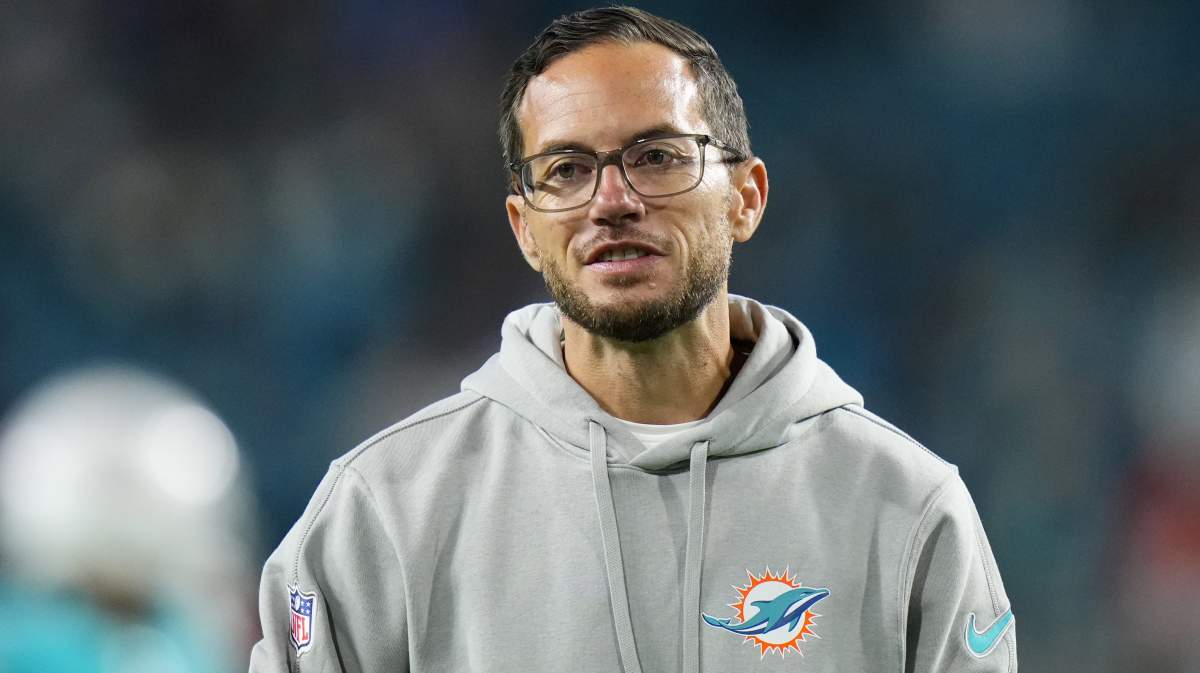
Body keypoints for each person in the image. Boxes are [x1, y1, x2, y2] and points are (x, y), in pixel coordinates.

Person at [249, 6, 1017, 672]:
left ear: (745, 198)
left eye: (656, 157)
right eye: (566, 169)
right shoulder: (384, 511)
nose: (611, 200)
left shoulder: (906, 505)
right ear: (524, 228)